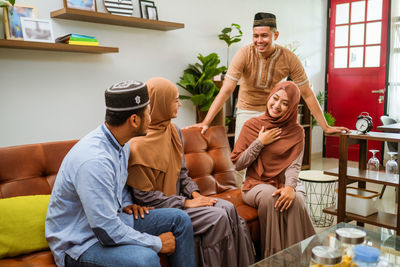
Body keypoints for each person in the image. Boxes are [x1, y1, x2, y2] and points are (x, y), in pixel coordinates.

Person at [45, 81, 195, 267]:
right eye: (148, 112)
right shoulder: (94, 161)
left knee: (180, 219)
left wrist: (126, 203)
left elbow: (119, 184)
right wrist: (157, 244)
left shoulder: (121, 142)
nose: (151, 117)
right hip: (81, 243)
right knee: (146, 258)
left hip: (112, 222)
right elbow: (106, 231)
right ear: (134, 120)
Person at [126, 77, 255, 267]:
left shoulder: (173, 130)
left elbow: (182, 174)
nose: (179, 104)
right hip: (159, 210)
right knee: (217, 216)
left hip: (180, 200)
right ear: (160, 103)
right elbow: (146, 198)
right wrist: (188, 202)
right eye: (175, 99)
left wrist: (195, 195)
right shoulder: (137, 145)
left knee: (228, 208)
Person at [191, 12, 348, 140]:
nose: (259, 41)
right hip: (246, 112)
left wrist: (325, 127)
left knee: (274, 162)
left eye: (264, 36)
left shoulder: (289, 58)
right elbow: (226, 90)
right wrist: (206, 122)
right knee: (242, 161)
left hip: (275, 113)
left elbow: (307, 93)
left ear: (276, 35)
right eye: (255, 36)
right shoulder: (244, 54)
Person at [231, 81, 315, 258]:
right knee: (271, 197)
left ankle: (299, 258)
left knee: (296, 199)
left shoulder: (297, 131)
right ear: (270, 97)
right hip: (255, 184)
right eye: (275, 98)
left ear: (292, 107)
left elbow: (294, 165)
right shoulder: (252, 125)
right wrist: (260, 142)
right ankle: (273, 258)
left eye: (285, 103)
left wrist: (290, 187)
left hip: (286, 182)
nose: (277, 105)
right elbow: (238, 163)